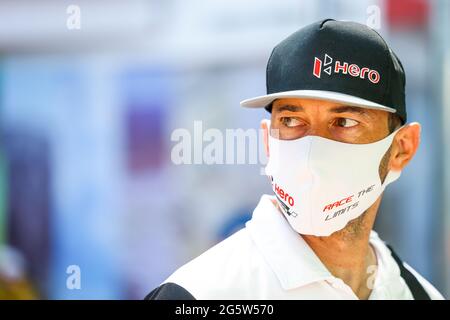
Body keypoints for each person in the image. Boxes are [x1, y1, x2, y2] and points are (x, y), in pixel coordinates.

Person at [146, 19, 444, 300]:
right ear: (267, 141)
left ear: (401, 149)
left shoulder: (416, 294)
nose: (312, 148)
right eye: (290, 120)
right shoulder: (200, 294)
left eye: (344, 122)